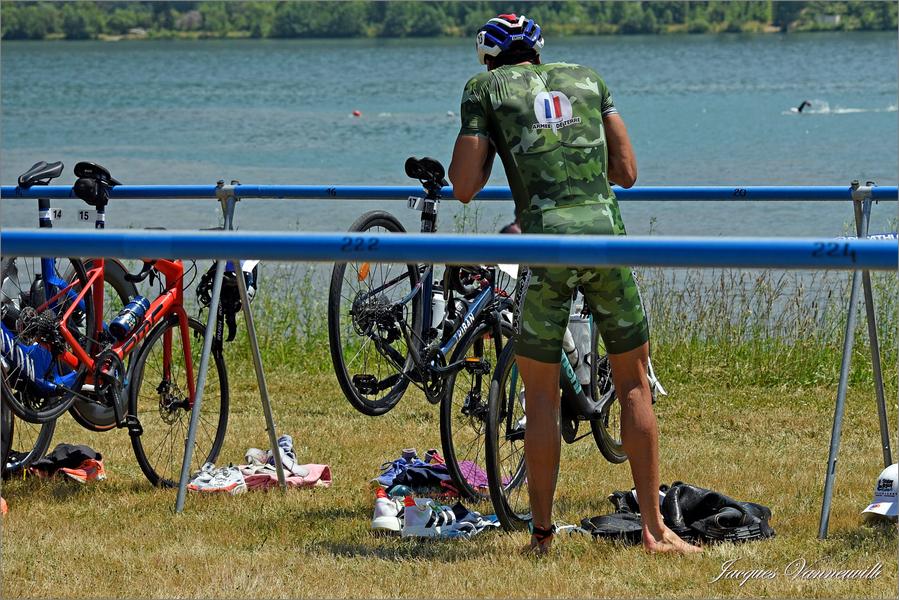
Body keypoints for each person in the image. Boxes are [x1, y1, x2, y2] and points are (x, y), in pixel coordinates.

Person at [448, 13, 701, 556]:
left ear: (488, 57)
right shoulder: (589, 78)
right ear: (539, 50)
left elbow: (464, 186)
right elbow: (626, 171)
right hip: (608, 240)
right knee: (634, 383)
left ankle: (541, 536)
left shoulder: (483, 89)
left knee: (540, 394)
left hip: (546, 247)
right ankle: (656, 530)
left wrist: (499, 149)